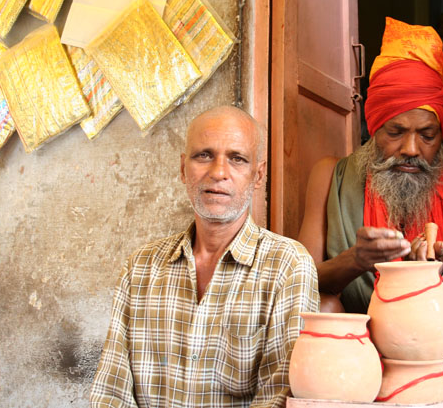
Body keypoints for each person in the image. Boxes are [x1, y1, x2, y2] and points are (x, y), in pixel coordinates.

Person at [297, 17, 443, 400]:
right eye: (395, 132)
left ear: (442, 131)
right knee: (325, 306)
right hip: (361, 336)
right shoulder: (329, 175)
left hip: (436, 341)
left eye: (427, 135)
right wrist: (357, 259)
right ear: (374, 127)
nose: (411, 149)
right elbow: (302, 285)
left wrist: (436, 277)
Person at [90, 105, 319, 407]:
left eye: (237, 159)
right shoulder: (141, 268)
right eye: (204, 156)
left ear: (258, 175)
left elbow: (280, 394)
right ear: (184, 169)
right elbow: (111, 392)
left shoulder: (287, 265)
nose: (218, 173)